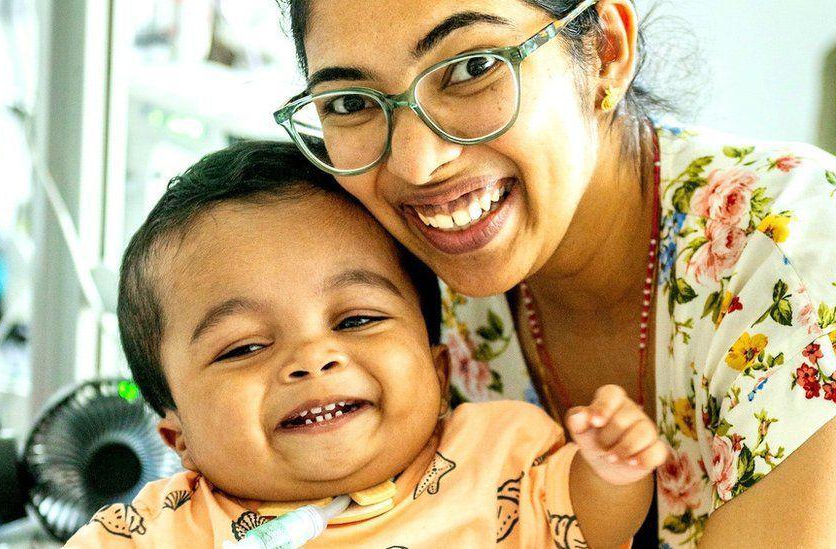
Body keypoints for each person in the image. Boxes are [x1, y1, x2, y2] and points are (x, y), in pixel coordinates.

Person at [272, 0, 836, 546]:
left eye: (473, 68)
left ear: (605, 51)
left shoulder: (800, 253)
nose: (416, 163)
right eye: (349, 104)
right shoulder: (405, 285)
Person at [65, 141, 668, 548]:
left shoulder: (498, 457)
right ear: (178, 437)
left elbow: (593, 527)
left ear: (438, 370)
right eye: (244, 348)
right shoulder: (162, 530)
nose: (312, 359)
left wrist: (611, 471)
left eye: (355, 319)